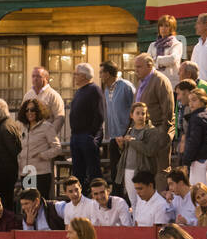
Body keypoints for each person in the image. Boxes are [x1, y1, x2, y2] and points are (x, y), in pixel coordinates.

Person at [131, 53, 175, 190]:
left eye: (139, 67)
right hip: (144, 133)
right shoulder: (141, 83)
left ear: (149, 66)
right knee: (147, 172)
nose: (136, 70)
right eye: (135, 67)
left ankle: (162, 203)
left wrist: (162, 133)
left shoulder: (160, 80)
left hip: (158, 132)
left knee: (161, 171)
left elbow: (168, 109)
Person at [116, 101, 161, 209]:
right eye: (138, 113)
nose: (141, 116)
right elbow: (125, 151)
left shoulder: (151, 131)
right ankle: (137, 224)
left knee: (144, 201)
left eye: (143, 113)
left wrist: (132, 142)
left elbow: (150, 150)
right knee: (133, 201)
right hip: (127, 170)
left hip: (142, 170)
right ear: (132, 115)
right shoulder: (130, 130)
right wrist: (121, 145)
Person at [99, 60, 134, 195]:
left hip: (127, 137)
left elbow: (136, 109)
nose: (100, 75)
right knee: (115, 172)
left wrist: (128, 133)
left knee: (129, 172)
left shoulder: (126, 86)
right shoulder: (107, 89)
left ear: (108, 73)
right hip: (114, 137)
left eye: (101, 72)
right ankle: (118, 200)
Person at [16, 98, 61, 204]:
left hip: (40, 173)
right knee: (28, 204)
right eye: (27, 110)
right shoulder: (23, 128)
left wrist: (42, 155)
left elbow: (57, 148)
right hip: (26, 173)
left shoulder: (46, 127)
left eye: (32, 110)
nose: (29, 112)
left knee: (40, 204)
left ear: (38, 111)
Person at [68, 62, 104, 193]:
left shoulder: (94, 90)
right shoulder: (79, 92)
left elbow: (99, 115)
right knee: (78, 173)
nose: (74, 77)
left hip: (86, 137)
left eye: (76, 74)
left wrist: (91, 136)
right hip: (76, 136)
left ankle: (99, 200)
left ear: (83, 76)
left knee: (94, 172)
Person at [181, 89, 207, 187]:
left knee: (198, 190)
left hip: (199, 158)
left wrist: (186, 162)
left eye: (194, 100)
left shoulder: (197, 117)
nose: (191, 104)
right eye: (189, 100)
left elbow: (193, 142)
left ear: (202, 101)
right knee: (203, 188)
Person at [0, 99, 22, 205]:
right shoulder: (8, 124)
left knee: (7, 204)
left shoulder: (4, 128)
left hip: (6, 175)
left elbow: (15, 151)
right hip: (6, 174)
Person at [21, 67, 65, 135]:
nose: (35, 79)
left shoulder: (53, 95)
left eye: (38, 76)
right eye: (33, 76)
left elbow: (59, 118)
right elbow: (22, 115)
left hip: (45, 138)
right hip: (30, 137)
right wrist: (25, 133)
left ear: (46, 78)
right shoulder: (28, 95)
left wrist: (50, 135)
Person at [148, 15, 183, 81]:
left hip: (171, 81)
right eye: (161, 26)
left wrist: (156, 60)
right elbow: (147, 62)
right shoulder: (152, 45)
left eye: (166, 26)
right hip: (155, 80)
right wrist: (163, 60)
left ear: (172, 28)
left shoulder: (176, 44)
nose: (163, 28)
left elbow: (172, 59)